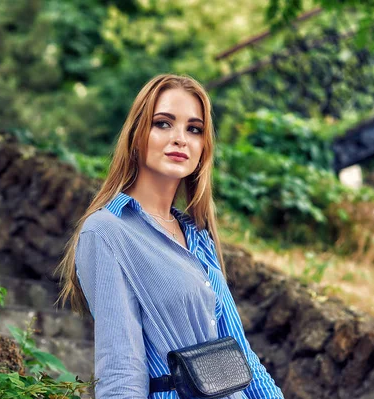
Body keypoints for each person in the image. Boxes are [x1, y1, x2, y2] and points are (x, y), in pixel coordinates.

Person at [55, 74, 284, 399]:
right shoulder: (107, 231)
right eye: (163, 123)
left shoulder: (198, 235)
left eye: (194, 129)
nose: (180, 138)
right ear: (137, 134)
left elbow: (241, 356)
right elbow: (121, 369)